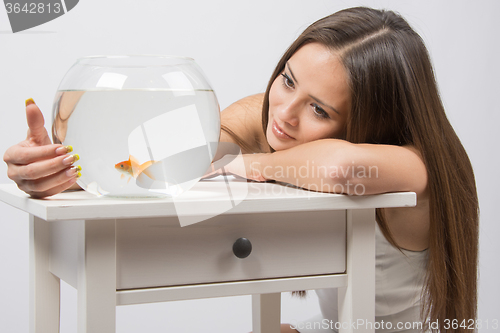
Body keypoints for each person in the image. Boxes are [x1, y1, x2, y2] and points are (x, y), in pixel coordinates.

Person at [3, 7, 478, 333]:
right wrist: (65, 167)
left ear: (374, 121)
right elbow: (190, 151)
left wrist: (250, 164)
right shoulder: (280, 124)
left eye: (319, 109)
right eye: (287, 80)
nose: (284, 113)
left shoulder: (418, 167)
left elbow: (339, 169)